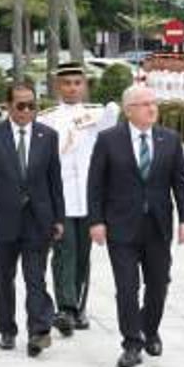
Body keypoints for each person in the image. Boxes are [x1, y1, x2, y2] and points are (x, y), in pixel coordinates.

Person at [87, 85, 184, 367]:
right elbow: (95, 184)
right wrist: (96, 221)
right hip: (121, 226)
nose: (152, 108)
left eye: (154, 103)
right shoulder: (109, 140)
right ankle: (131, 343)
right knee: (126, 287)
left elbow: (181, 183)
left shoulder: (169, 139)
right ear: (129, 110)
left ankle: (150, 329)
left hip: (158, 226)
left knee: (159, 284)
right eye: (144, 104)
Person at [0, 81, 65, 358]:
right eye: (21, 105)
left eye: (32, 105)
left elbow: (54, 179)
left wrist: (59, 217)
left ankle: (38, 331)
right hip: (1, 220)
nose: (27, 111)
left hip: (38, 219)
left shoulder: (48, 136)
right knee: (3, 278)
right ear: (8, 106)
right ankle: (7, 330)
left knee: (36, 278)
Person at [37, 61, 119, 335]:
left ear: (84, 86)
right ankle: (65, 309)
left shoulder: (96, 115)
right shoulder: (46, 118)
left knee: (83, 254)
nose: (72, 88)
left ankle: (79, 307)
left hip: (87, 196)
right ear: (58, 86)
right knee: (64, 251)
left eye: (77, 83)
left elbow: (112, 122)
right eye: (66, 84)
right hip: (59, 196)